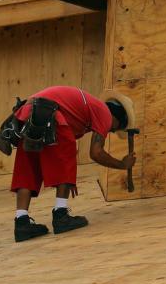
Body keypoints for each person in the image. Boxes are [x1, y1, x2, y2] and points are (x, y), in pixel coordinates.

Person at [9, 86, 137, 242]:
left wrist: (67, 179)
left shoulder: (85, 110)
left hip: (28, 113)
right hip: (51, 113)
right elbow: (96, 153)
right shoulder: (104, 113)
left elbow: (57, 154)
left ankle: (21, 223)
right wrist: (122, 164)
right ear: (116, 118)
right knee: (67, 152)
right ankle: (61, 215)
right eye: (113, 129)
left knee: (27, 166)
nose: (109, 131)